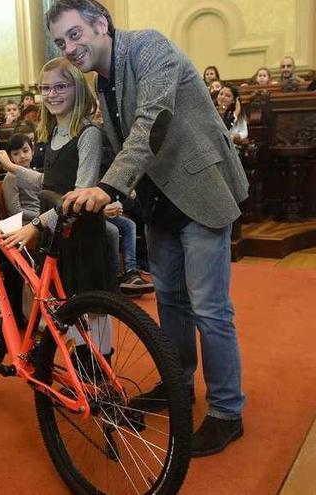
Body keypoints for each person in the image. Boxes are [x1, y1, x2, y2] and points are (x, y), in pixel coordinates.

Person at [46, 0, 249, 456]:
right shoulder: (102, 82)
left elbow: (152, 121)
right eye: (61, 42)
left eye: (75, 34)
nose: (70, 47)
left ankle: (226, 412)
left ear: (101, 24)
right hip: (161, 203)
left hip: (199, 191)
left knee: (210, 309)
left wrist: (109, 187)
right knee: (172, 303)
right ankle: (177, 386)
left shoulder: (149, 47)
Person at [0, 56, 114, 361]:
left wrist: (35, 225)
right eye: (45, 88)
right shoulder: (51, 133)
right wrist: (13, 168)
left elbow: (76, 197)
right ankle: (81, 370)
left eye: (60, 86)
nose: (52, 94)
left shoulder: (87, 133)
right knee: (66, 304)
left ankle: (103, 371)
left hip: (83, 233)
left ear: (77, 88)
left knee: (95, 310)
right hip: (60, 233)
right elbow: (49, 185)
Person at [0, 133, 39, 224]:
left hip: (41, 216)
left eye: (25, 151)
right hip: (26, 222)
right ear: (10, 158)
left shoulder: (36, 174)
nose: (22, 156)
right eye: (16, 154)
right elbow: (14, 211)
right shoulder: (11, 177)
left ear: (32, 151)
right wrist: (41, 216)